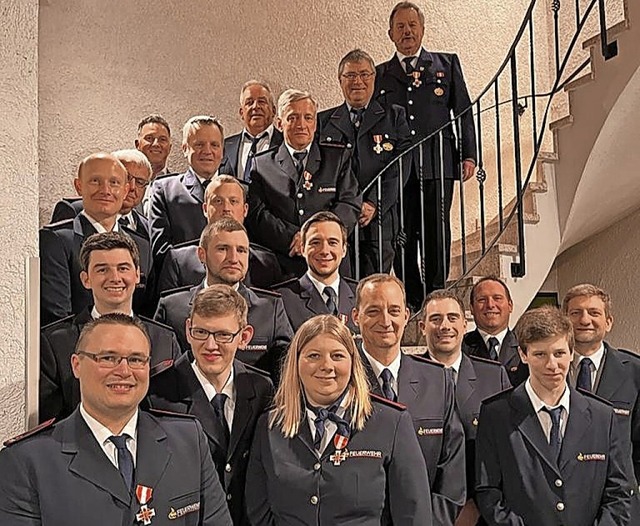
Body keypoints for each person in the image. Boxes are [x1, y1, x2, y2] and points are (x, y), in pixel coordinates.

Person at [0, 313, 233, 525]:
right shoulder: (26, 461)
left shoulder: (189, 440)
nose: (124, 371)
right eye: (108, 358)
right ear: (77, 365)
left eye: (136, 359)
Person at [245, 314, 433, 525]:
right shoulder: (270, 426)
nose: (326, 366)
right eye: (313, 356)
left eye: (337, 356)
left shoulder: (392, 423)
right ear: (295, 363)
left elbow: (414, 515)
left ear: (353, 362)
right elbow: (258, 512)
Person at [475, 306, 634, 525]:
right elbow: (489, 492)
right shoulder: (496, 415)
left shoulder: (602, 416)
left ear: (571, 352)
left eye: (559, 353)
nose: (552, 365)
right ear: (523, 354)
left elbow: (620, 492)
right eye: (540, 354)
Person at [375, 1, 477, 307]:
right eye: (401, 27)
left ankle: (436, 291)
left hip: (438, 162)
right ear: (390, 34)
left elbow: (463, 113)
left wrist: (468, 154)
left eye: (412, 25)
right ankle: (411, 296)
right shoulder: (380, 74)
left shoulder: (445, 65)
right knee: (402, 233)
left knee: (436, 230)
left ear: (422, 29)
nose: (407, 32)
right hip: (398, 167)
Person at [147, 285, 274, 525]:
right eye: (201, 333)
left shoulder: (261, 388)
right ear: (187, 330)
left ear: (244, 337)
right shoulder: (157, 392)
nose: (211, 345)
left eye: (223, 335)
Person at [353, 273, 466, 525]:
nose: (386, 321)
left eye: (394, 310)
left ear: (406, 316)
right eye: (373, 311)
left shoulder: (438, 380)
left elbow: (452, 472)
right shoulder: (341, 380)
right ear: (356, 317)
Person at [39, 232, 181, 422]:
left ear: (137, 275)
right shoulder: (55, 342)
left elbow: (175, 409)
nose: (115, 277)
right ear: (85, 279)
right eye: (102, 270)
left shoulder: (165, 340)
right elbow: (51, 421)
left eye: (123, 268)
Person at [155, 218, 293, 381]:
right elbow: (161, 376)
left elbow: (287, 373)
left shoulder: (271, 309)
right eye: (223, 249)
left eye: (241, 250)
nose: (233, 258)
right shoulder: (171, 308)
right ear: (202, 254)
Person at [247, 89, 362, 278]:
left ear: (315, 123)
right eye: (292, 118)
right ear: (279, 124)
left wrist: (314, 237)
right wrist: (291, 239)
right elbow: (258, 214)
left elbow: (350, 203)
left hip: (330, 262)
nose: (301, 125)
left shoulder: (337, 157)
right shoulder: (262, 164)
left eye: (308, 117)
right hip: (284, 262)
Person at [419, 289, 510, 525]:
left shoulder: (493, 376)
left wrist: (478, 505)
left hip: (481, 513)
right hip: (423, 510)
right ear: (422, 327)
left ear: (465, 324)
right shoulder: (407, 375)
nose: (445, 326)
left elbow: (507, 449)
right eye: (435, 319)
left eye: (452, 318)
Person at [318, 49, 411, 277]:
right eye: (350, 75)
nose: (357, 81)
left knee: (375, 289)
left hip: (380, 220)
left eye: (364, 74)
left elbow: (401, 165)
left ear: (374, 78)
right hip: (338, 221)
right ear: (340, 81)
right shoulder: (323, 121)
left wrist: (374, 203)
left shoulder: (394, 116)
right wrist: (346, 208)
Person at [40, 152, 149, 325]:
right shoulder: (56, 241)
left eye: (114, 183)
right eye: (95, 181)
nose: (105, 190)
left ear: (125, 190)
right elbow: (56, 317)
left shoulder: (141, 244)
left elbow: (144, 311)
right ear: (79, 186)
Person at [562, 284, 640, 500]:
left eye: (594, 313)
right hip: (562, 498)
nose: (584, 320)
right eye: (575, 313)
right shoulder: (544, 369)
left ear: (609, 322)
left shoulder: (635, 372)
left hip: (617, 500)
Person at [156, 175, 282, 293]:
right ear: (205, 209)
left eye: (233, 201)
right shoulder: (179, 261)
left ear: (245, 209)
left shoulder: (267, 262)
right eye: (218, 201)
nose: (226, 208)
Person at [149, 115, 224, 258]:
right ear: (184, 148)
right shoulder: (164, 190)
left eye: (214, 145)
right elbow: (161, 252)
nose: (207, 151)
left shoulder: (240, 190)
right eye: (199, 144)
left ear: (222, 150)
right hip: (184, 279)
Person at [274, 211, 358, 333]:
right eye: (315, 243)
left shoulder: (361, 295)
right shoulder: (281, 300)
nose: (324, 250)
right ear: (302, 249)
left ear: (344, 249)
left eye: (332, 243)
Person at [463, 276, 528, 386]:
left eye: (497, 298)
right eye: (482, 300)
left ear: (510, 305)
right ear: (472, 308)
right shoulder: (460, 347)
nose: (490, 305)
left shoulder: (526, 345)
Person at [218, 80, 284, 181]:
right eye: (249, 102)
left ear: (273, 111)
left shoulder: (285, 144)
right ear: (241, 113)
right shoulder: (225, 146)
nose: (255, 107)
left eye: (262, 101)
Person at [135, 114, 172, 178]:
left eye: (162, 139)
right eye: (149, 138)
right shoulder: (122, 183)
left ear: (170, 147)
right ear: (137, 144)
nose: (156, 144)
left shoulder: (179, 186)